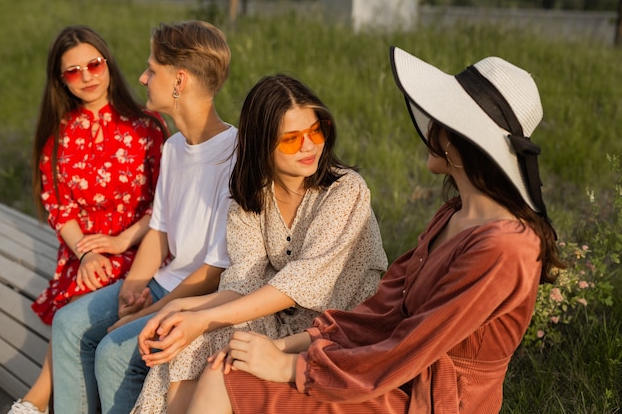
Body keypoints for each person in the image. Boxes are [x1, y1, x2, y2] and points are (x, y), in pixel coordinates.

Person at [194, 47, 566, 414]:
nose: (429, 127)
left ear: (460, 143)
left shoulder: (504, 247)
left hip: (431, 396)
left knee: (222, 380)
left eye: (440, 119)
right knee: (222, 370)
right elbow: (384, 311)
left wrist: (293, 367)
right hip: (386, 369)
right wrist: (289, 346)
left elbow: (413, 344)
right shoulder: (456, 214)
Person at [130, 74, 388, 414]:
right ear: (262, 143)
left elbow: (298, 283)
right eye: (291, 139)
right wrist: (182, 310)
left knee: (209, 333)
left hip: (343, 329)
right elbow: (244, 283)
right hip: (285, 321)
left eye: (316, 130)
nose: (309, 146)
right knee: (188, 342)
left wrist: (204, 318)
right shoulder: (253, 197)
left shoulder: (346, 191)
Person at [50, 20, 237, 414]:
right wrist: (132, 288)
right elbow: (159, 230)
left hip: (199, 294)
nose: (142, 76)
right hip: (162, 282)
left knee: (114, 352)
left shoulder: (233, 156)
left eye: (152, 69)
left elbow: (215, 271)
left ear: (179, 80)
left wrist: (149, 313)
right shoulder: (173, 148)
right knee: (68, 325)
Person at [8, 25, 167, 414]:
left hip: (139, 248)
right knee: (85, 287)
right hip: (83, 253)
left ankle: (36, 400)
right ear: (60, 81)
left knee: (81, 306)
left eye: (94, 65)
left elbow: (164, 206)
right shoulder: (58, 136)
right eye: (73, 72)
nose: (87, 78)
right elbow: (59, 208)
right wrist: (87, 254)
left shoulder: (147, 129)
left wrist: (120, 242)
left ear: (108, 62)